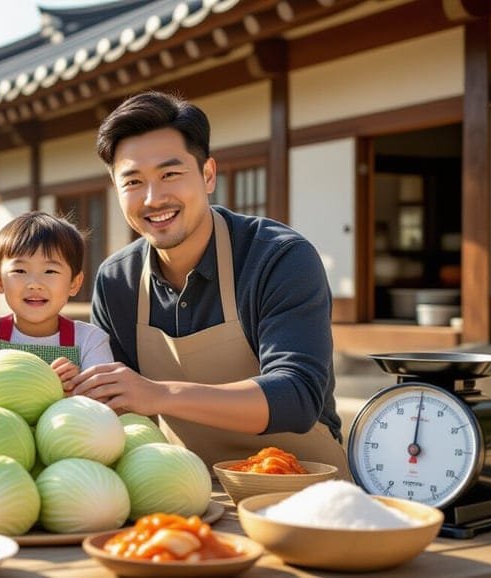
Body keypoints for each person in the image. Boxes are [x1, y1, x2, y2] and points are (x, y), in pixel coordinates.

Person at [69, 91, 350, 474]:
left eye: (170, 174)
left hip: (301, 486)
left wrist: (159, 394)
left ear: (207, 175)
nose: (153, 199)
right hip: (188, 489)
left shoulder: (278, 258)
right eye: (133, 181)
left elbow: (297, 396)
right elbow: (117, 409)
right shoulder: (118, 280)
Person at [0, 211, 113, 392]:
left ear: (74, 283)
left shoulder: (90, 340)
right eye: (20, 271)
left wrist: (76, 385)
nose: (34, 284)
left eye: (50, 271)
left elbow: (105, 396)